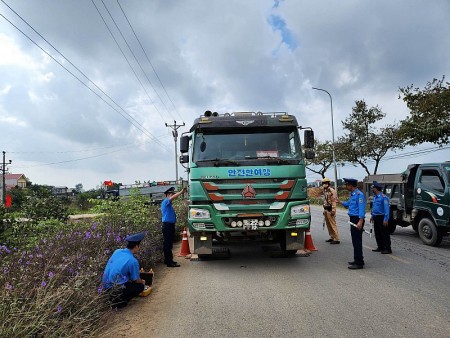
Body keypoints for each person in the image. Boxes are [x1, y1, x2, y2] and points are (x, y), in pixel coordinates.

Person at [102, 232, 146, 308]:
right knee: (140, 286)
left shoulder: (117, 251)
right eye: (139, 246)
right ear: (136, 246)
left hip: (105, 287)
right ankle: (122, 301)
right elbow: (136, 279)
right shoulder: (133, 261)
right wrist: (142, 282)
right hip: (117, 290)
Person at [339, 178, 367, 270]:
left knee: (357, 241)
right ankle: (357, 259)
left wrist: (360, 221)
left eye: (347, 185)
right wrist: (340, 202)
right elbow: (349, 204)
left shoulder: (359, 195)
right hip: (353, 219)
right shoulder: (353, 194)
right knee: (355, 241)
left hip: (357, 219)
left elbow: (362, 209)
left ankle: (359, 263)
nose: (346, 187)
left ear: (351, 185)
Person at [161, 186, 186, 267]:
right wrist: (181, 192)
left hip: (169, 225)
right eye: (171, 194)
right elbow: (172, 198)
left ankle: (167, 260)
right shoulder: (166, 201)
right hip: (167, 225)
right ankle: (169, 262)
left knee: (167, 243)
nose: (172, 196)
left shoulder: (168, 204)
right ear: (168, 195)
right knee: (168, 244)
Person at [370, 181, 392, 254]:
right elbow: (374, 208)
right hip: (376, 217)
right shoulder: (375, 197)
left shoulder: (384, 197)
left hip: (382, 217)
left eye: (373, 188)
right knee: (377, 233)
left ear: (376, 189)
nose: (372, 189)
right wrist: (372, 216)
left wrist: (386, 219)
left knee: (384, 233)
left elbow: (386, 210)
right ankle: (380, 247)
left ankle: (388, 248)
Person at [322, 178, 340, 244]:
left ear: (328, 183)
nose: (324, 184)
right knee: (328, 225)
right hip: (326, 209)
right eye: (323, 183)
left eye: (326, 183)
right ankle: (332, 237)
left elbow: (334, 201)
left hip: (330, 209)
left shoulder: (332, 191)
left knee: (332, 224)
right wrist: (324, 210)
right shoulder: (325, 191)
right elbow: (325, 201)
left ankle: (336, 238)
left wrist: (333, 210)